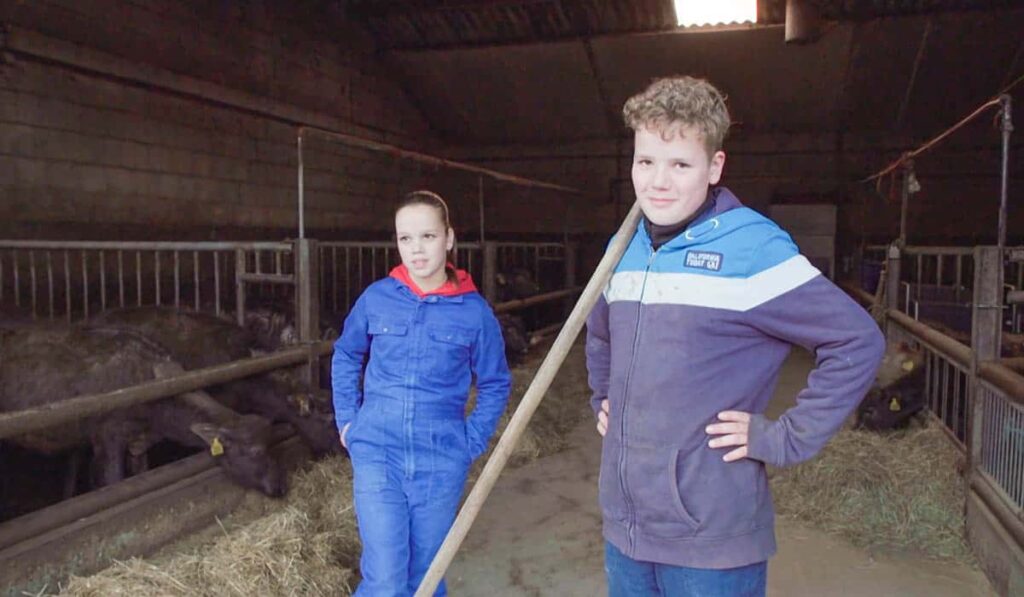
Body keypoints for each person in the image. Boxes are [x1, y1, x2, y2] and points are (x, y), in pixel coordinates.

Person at [585, 76, 885, 596]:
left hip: (710, 538)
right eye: (645, 161)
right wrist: (602, 396)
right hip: (627, 528)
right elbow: (599, 329)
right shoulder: (625, 244)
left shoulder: (753, 249)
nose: (658, 181)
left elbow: (857, 341)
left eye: (680, 164)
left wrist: (784, 437)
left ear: (714, 166)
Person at [332, 190, 512, 596]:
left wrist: (470, 440)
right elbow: (346, 354)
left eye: (427, 237)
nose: (416, 250)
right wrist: (348, 419)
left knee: (426, 575)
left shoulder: (474, 313)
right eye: (405, 239)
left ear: (448, 239)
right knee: (385, 575)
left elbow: (495, 382)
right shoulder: (377, 298)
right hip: (379, 453)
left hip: (440, 459)